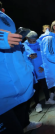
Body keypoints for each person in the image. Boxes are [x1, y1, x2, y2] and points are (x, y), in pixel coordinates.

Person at [0, 2, 42, 134]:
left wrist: (29, 70)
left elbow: (21, 51)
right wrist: (2, 38)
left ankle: (26, 123)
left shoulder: (7, 20)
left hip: (20, 87)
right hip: (3, 95)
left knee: (21, 113)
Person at [23, 31, 55, 113]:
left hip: (41, 69)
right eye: (31, 41)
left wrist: (43, 66)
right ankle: (37, 104)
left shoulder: (40, 43)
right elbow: (21, 58)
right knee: (35, 88)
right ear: (27, 38)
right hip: (32, 70)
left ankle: (47, 99)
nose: (34, 42)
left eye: (35, 40)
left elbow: (46, 56)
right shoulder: (23, 46)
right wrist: (28, 56)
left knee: (45, 85)